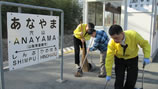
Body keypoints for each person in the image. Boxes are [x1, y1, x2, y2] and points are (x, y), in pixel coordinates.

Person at [105, 25, 151, 89]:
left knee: (132, 79)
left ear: (122, 33)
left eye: (116, 38)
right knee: (119, 79)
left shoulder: (133, 35)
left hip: (132, 58)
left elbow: (145, 44)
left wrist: (146, 56)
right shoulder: (112, 42)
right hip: (119, 60)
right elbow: (109, 58)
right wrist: (108, 73)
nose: (115, 40)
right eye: (113, 38)